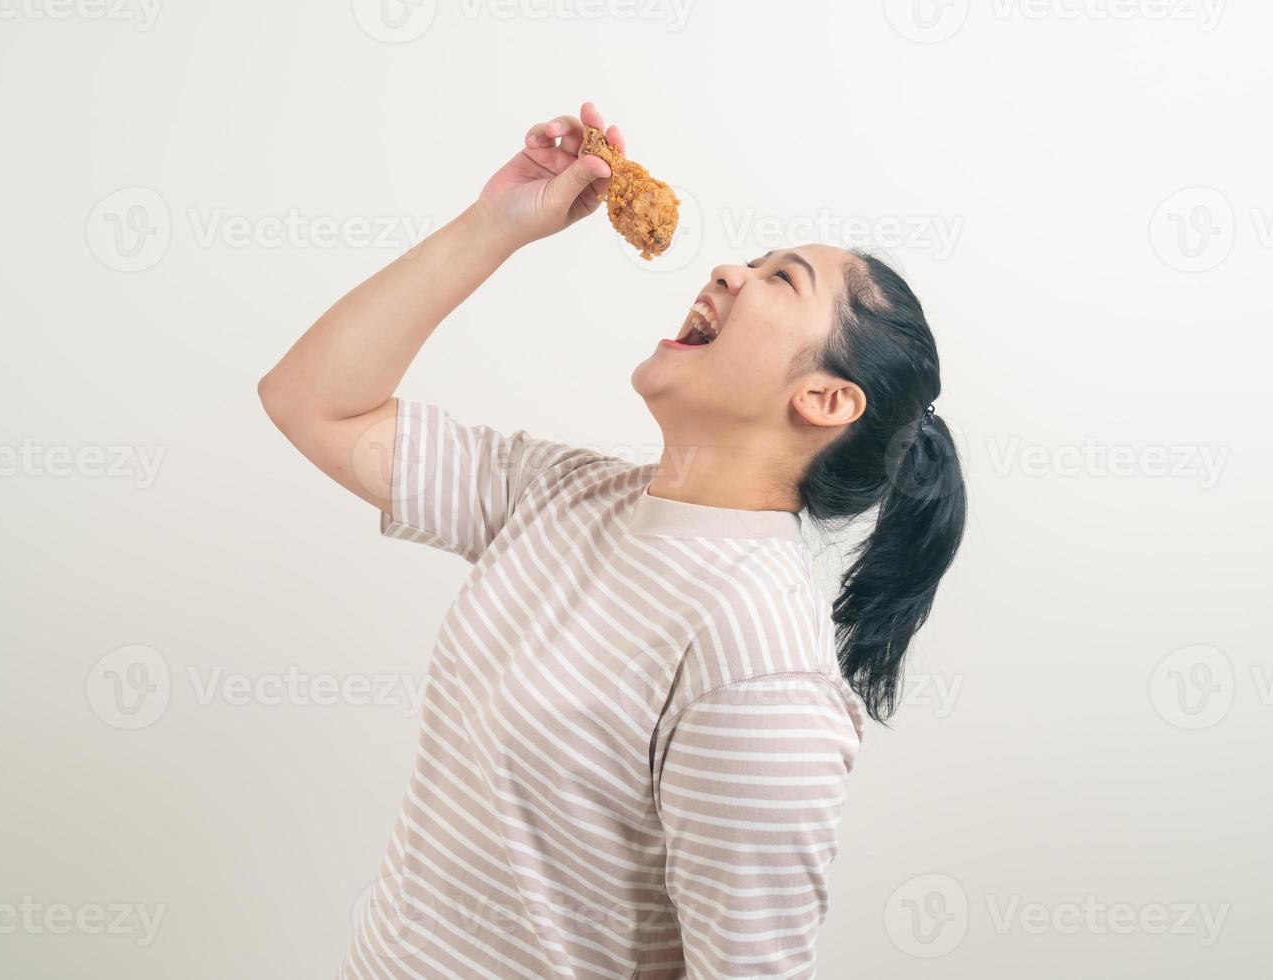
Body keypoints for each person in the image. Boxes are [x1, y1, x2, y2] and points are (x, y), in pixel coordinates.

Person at [258, 100, 966, 979]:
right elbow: (311, 401)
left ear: (825, 401)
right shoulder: (564, 494)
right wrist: (497, 225)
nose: (728, 272)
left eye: (781, 280)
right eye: (751, 262)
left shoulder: (762, 668)